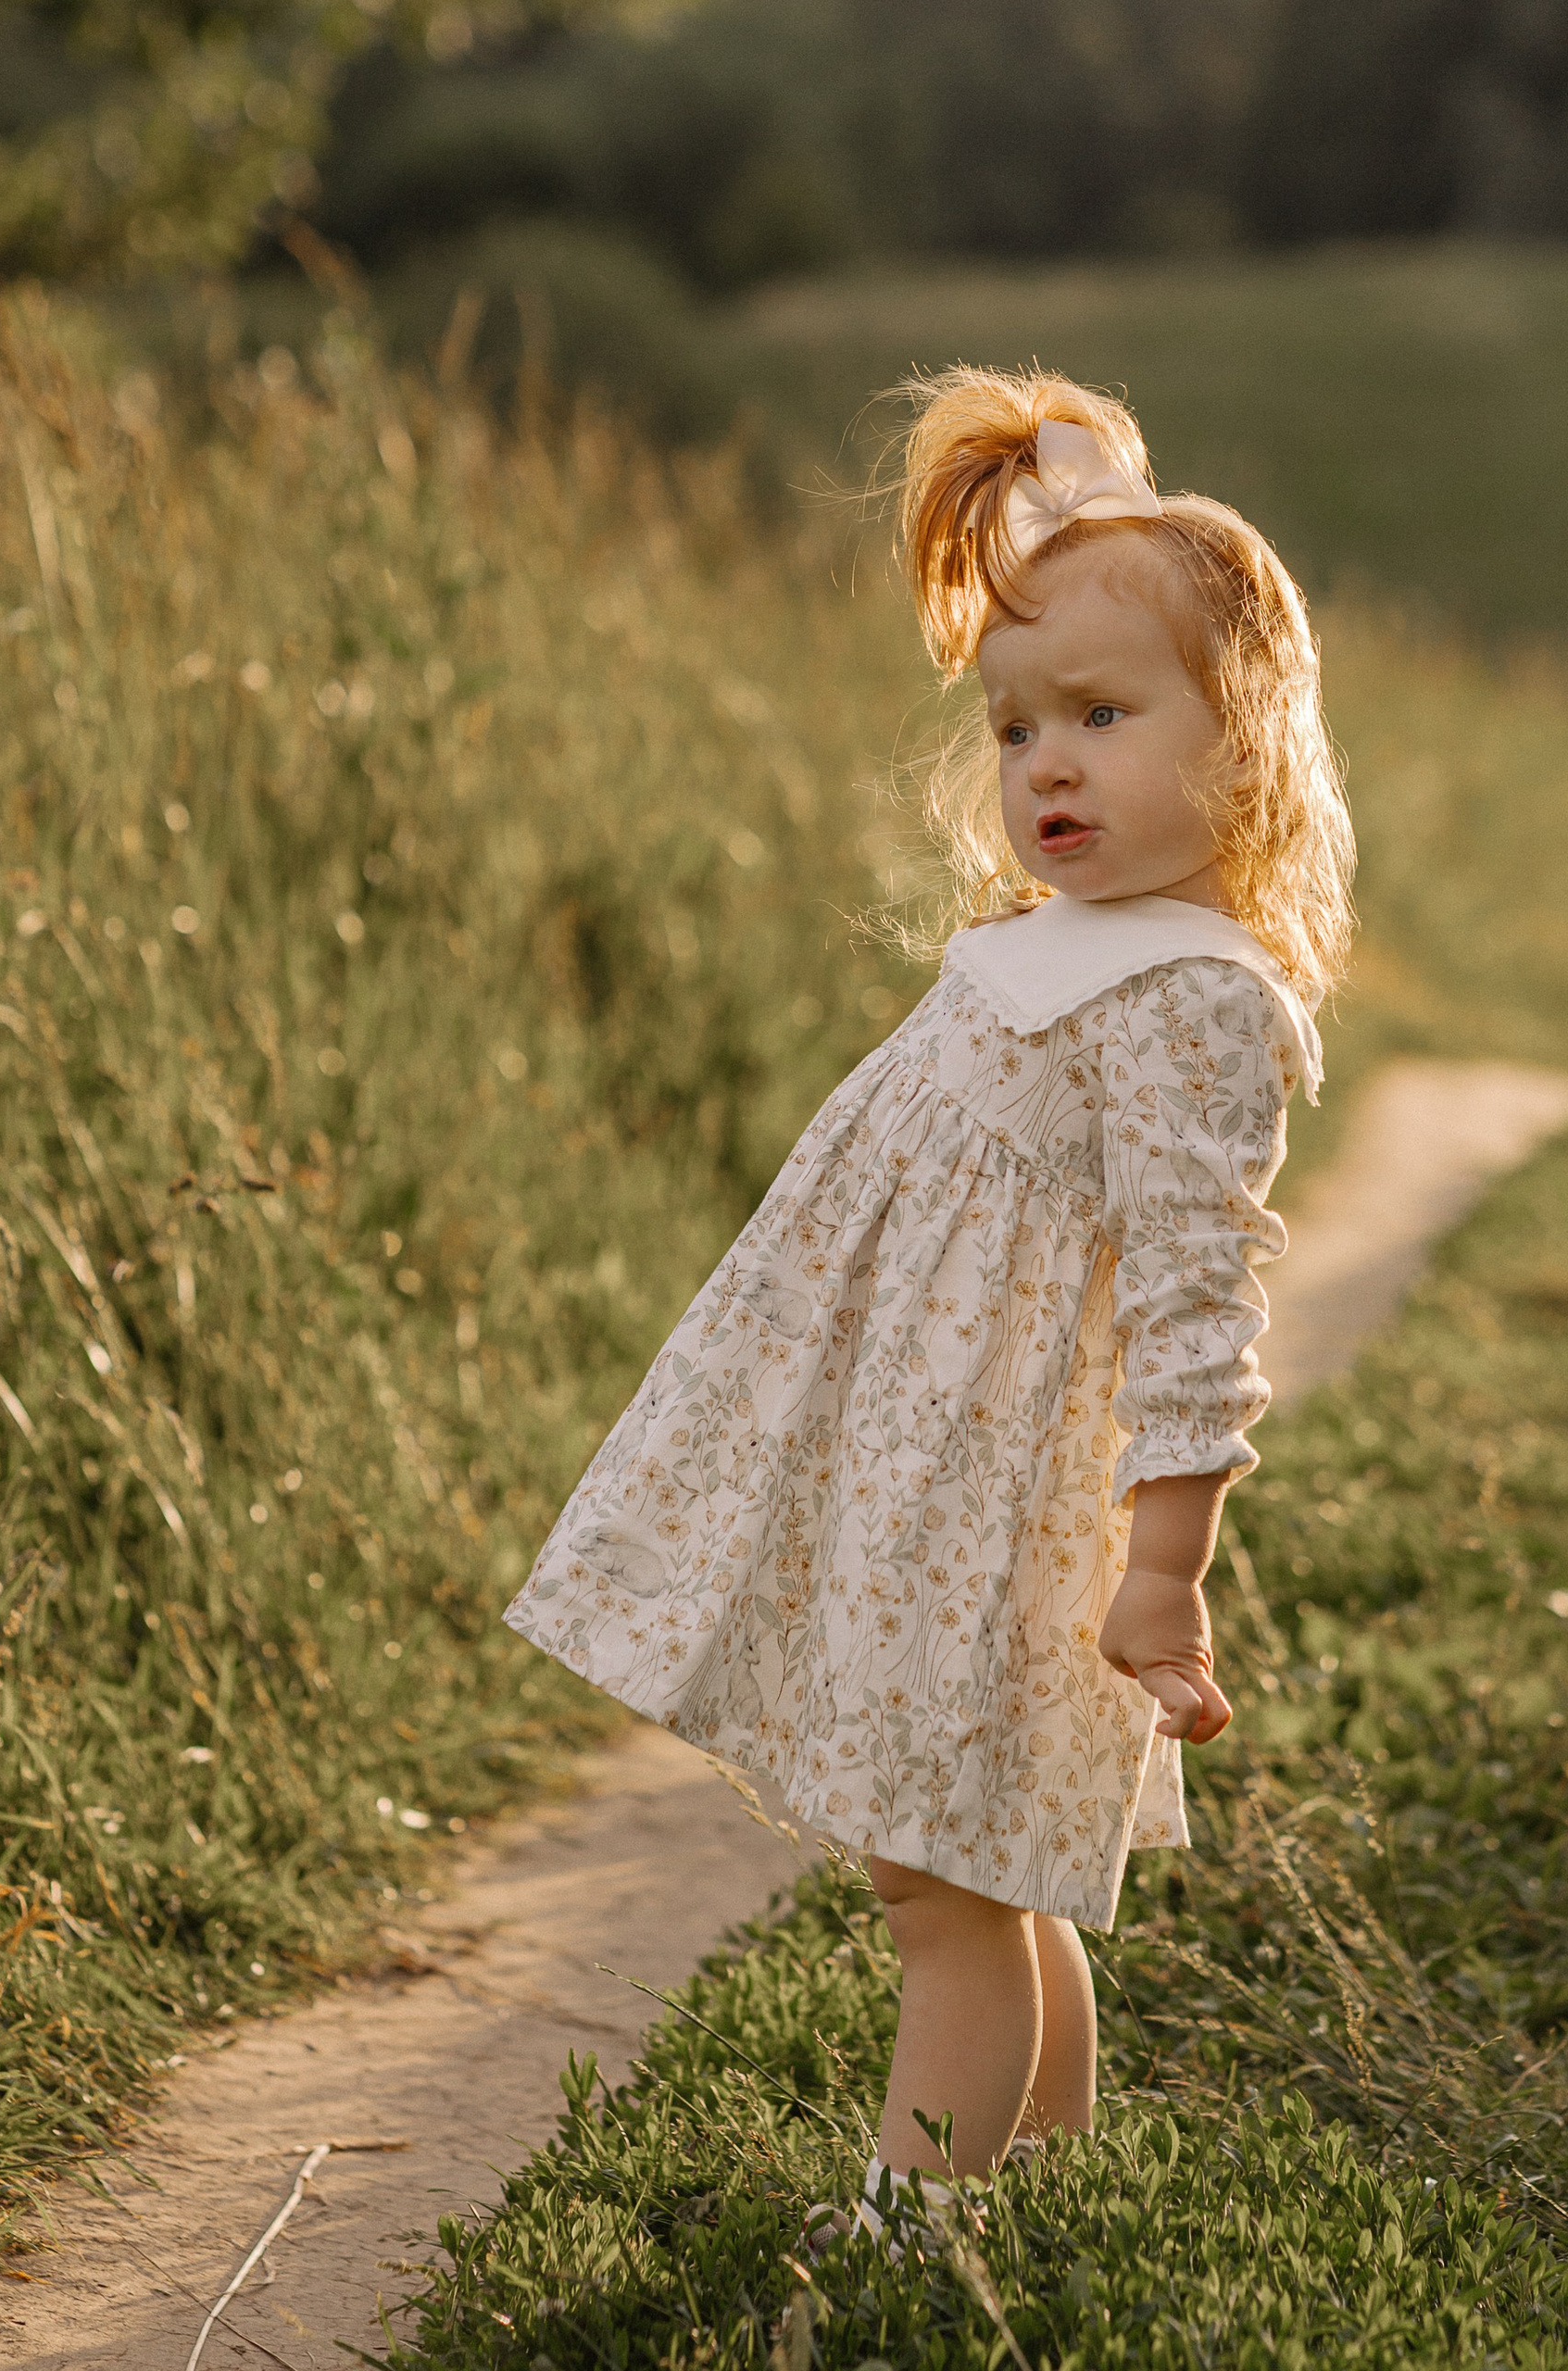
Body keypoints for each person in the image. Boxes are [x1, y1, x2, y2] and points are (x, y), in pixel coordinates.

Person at [504, 365, 1354, 2238]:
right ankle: (1032, 2193)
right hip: (909, 1485)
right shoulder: (1048, 949)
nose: (1044, 761)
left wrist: (1164, 1562)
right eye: (1014, 723)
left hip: (996, 1515)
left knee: (938, 1881)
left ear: (1244, 744)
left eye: (1104, 715)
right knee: (977, 1868)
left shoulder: (1193, 997)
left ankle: (918, 2227)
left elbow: (1207, 1309)